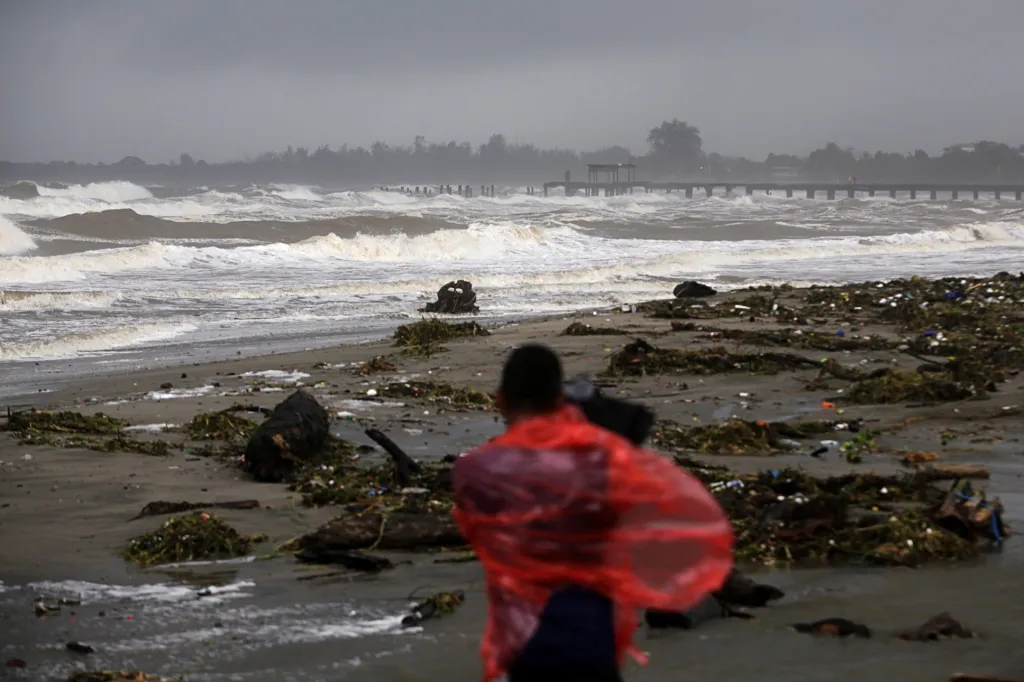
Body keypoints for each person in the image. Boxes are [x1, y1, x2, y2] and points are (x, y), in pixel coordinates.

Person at [452, 344, 734, 682]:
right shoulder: (601, 458)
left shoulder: (475, 469)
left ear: (500, 399)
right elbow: (639, 439)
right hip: (593, 636)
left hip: (523, 640)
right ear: (559, 400)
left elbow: (476, 528)